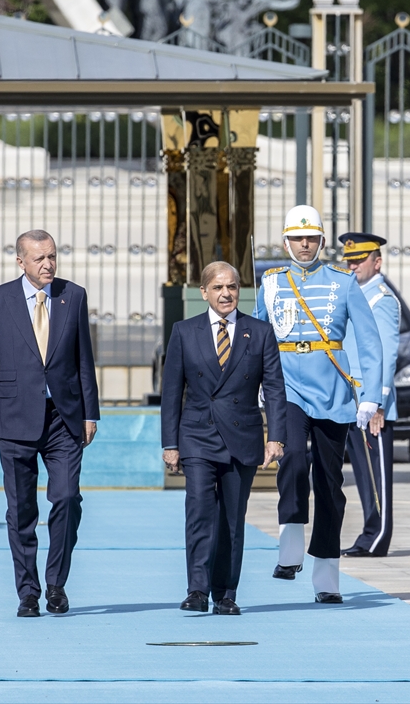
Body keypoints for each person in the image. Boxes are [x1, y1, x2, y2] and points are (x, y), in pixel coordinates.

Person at [0, 230, 100, 618]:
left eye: (52, 256)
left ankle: (56, 583)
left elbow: (84, 358)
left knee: (67, 498)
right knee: (21, 509)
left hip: (64, 418)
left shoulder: (73, 295)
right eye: (39, 258)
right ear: (20, 261)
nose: (48, 264)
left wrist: (90, 413)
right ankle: (28, 592)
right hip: (15, 419)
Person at [255, 206, 383, 601]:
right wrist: (254, 384)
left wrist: (372, 396)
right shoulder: (272, 282)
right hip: (287, 387)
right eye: (297, 238)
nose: (304, 244)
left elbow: (369, 340)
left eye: (311, 237)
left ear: (322, 241)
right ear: (286, 242)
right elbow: (256, 336)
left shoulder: (343, 282)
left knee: (329, 483)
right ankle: (290, 546)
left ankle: (326, 577)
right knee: (292, 458)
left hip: (332, 390)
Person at [161, 262, 287, 615]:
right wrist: (170, 444)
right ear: (204, 292)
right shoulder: (184, 331)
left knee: (232, 519)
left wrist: (276, 437)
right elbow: (172, 392)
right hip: (197, 435)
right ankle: (197, 590)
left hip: (241, 436)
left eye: (231, 287)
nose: (226, 294)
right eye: (217, 288)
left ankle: (225, 593)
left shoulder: (259, 332)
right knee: (199, 511)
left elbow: (275, 388)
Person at [340, 232, 401, 558]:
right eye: (349, 260)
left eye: (359, 260)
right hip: (353, 399)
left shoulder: (381, 299)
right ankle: (368, 534)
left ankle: (378, 537)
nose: (353, 266)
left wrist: (378, 402)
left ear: (377, 263)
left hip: (371, 403)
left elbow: (387, 353)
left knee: (377, 477)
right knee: (364, 475)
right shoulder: (355, 295)